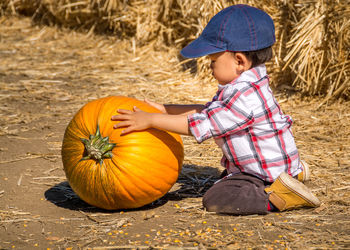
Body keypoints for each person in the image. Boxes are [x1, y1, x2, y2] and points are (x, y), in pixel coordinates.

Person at [111, 4, 320, 215]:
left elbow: (203, 124)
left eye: (213, 60)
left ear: (239, 61)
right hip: (268, 166)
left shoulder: (244, 98)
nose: (209, 66)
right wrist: (165, 110)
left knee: (216, 197)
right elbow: (208, 111)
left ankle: (279, 197)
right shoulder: (248, 85)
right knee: (225, 181)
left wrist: (151, 120)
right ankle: (293, 173)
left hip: (262, 173)